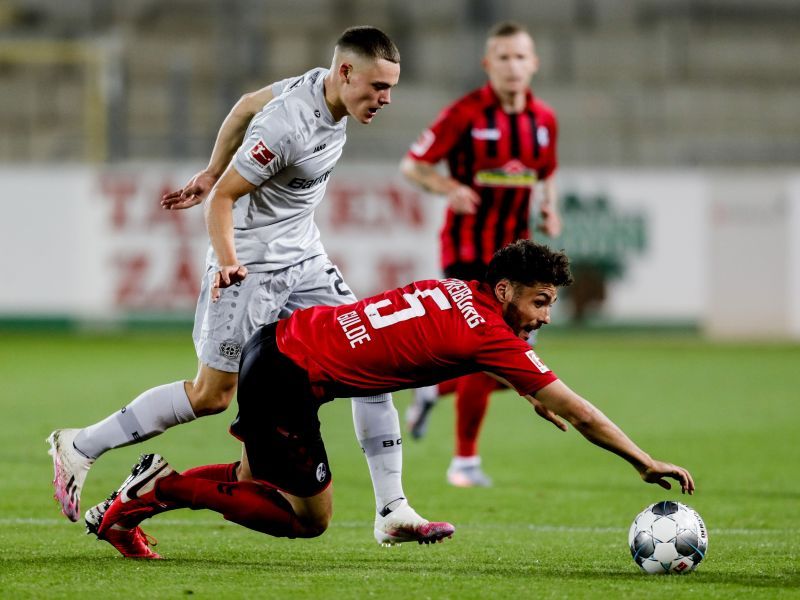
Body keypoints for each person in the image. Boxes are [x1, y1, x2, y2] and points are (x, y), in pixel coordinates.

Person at [48, 26, 446, 552]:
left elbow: (242, 104)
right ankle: (80, 444)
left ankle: (392, 507)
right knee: (212, 395)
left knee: (371, 362)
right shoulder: (289, 127)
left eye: (391, 88)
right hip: (251, 268)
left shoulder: (315, 89)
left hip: (306, 261)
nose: (386, 99)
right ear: (345, 73)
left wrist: (211, 168)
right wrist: (229, 258)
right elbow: (222, 202)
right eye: (377, 87)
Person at [85, 240, 694, 559]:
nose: (545, 315)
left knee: (254, 477)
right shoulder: (489, 332)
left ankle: (131, 510)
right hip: (289, 378)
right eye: (539, 302)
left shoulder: (458, 291)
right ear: (504, 289)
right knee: (309, 519)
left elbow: (446, 341)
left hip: (282, 347)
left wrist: (526, 387)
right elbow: (580, 412)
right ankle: (157, 490)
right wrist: (643, 460)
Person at [400, 21, 562, 487]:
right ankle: (464, 463)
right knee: (488, 351)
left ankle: (434, 391)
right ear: (488, 65)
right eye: (503, 58)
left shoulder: (544, 120)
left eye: (520, 57)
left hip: (518, 259)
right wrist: (447, 185)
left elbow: (547, 171)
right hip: (469, 251)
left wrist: (549, 206)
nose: (513, 66)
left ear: (534, 63)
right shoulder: (465, 114)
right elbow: (413, 166)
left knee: (507, 368)